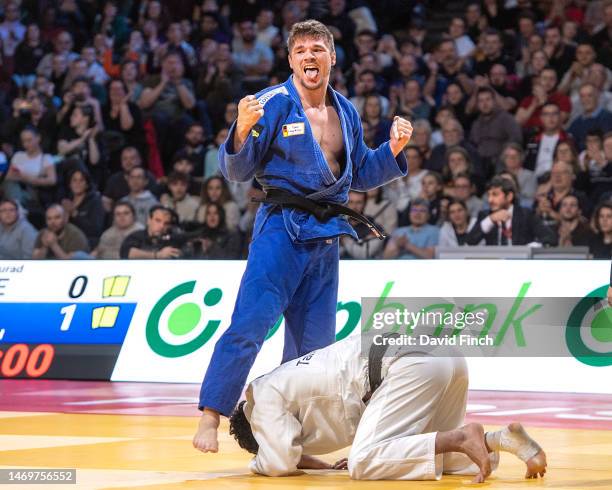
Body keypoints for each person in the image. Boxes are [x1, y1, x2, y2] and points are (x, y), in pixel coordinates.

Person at [193, 20, 412, 453]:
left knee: (314, 350)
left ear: (332, 57)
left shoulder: (346, 111)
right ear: (290, 60)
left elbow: (360, 174)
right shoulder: (271, 104)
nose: (309, 56)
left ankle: (297, 439)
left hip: (326, 235)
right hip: (281, 227)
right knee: (250, 323)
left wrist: (393, 151)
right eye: (301, 50)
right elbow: (236, 171)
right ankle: (210, 417)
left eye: (317, 49)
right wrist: (239, 129)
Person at [227, 335, 547, 482]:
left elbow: (278, 461)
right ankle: (502, 439)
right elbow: (290, 451)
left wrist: (260, 460)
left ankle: (463, 437)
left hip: (408, 365)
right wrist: (312, 461)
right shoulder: (286, 382)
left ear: (256, 430)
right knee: (436, 458)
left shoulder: (260, 395)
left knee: (363, 462)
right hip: (443, 354)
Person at [466, 177, 557, 246]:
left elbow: (550, 238)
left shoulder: (526, 214)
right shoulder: (485, 215)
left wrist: (529, 248)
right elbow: (470, 241)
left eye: (495, 195)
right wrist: (490, 220)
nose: (490, 200)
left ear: (509, 196)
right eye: (489, 195)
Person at [61, 169, 106, 248]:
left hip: (88, 241)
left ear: (87, 184)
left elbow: (95, 230)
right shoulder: (66, 201)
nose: (77, 183)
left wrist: (75, 214)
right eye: (74, 180)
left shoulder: (95, 201)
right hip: (67, 240)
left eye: (81, 180)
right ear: (70, 184)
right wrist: (65, 213)